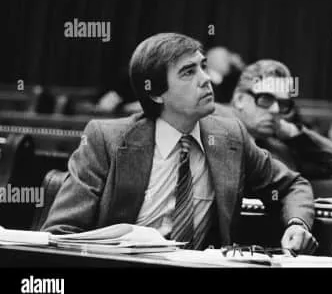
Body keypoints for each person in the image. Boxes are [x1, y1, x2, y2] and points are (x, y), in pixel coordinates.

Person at [42, 33, 317, 253]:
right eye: (188, 72)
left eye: (203, 67)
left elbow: (293, 185)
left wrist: (297, 224)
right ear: (156, 94)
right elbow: (60, 233)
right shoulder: (106, 139)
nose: (206, 79)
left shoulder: (230, 137)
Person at [216, 59, 332, 178]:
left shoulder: (281, 151)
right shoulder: (212, 125)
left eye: (282, 103)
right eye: (266, 99)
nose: (276, 110)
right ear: (240, 99)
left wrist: (291, 131)